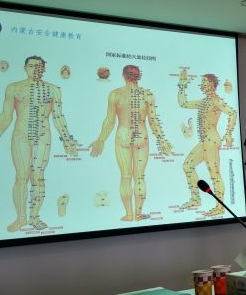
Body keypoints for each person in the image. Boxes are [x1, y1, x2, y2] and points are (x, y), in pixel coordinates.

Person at [0, 55, 79, 232]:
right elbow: (6, 115)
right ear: (25, 68)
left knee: (38, 176)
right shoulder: (14, 88)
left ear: (44, 69)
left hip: (43, 136)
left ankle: (35, 217)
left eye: (39, 66)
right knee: (21, 176)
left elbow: (58, 116)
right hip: (21, 136)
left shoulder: (53, 89)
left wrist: (67, 139)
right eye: (32, 66)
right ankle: (21, 218)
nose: (35, 69)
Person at [89, 65, 172, 221]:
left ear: (123, 76)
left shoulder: (115, 94)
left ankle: (129, 214)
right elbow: (153, 121)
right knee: (139, 177)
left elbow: (110, 120)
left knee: (125, 177)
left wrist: (101, 139)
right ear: (139, 76)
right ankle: (138, 214)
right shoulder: (147, 95)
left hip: (123, 136)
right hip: (141, 136)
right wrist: (162, 140)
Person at [177, 69, 237, 216]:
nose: (202, 85)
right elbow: (183, 103)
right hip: (204, 142)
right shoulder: (203, 101)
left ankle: (220, 207)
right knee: (187, 166)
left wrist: (228, 133)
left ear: (211, 84)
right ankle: (195, 199)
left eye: (204, 82)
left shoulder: (216, 100)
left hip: (212, 141)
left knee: (215, 175)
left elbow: (232, 113)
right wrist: (182, 85)